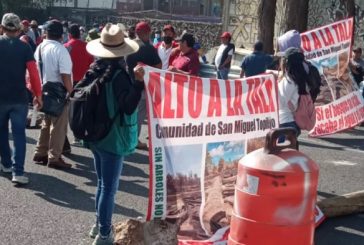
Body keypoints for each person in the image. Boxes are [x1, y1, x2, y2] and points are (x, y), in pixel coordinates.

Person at [85, 23, 144, 245]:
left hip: (95, 134)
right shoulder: (119, 75)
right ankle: (104, 234)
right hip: (112, 136)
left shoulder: (95, 68)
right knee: (108, 188)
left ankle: (99, 224)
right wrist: (138, 85)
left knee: (101, 183)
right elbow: (128, 107)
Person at [0, 13, 42, 184]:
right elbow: (33, 73)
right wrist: (38, 95)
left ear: (1, 28)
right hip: (19, 97)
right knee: (19, 135)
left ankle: (6, 164)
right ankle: (18, 172)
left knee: (2, 132)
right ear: (18, 30)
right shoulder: (25, 47)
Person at [33, 20, 73, 169]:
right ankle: (54, 156)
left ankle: (40, 151)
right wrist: (71, 92)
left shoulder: (40, 48)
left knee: (46, 121)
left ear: (46, 33)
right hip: (58, 91)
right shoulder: (61, 50)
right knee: (59, 126)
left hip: (43, 89)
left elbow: (34, 72)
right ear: (61, 35)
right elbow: (65, 75)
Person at [126, 21, 162, 151]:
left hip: (129, 84)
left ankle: (128, 138)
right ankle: (134, 140)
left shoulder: (129, 45)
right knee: (139, 115)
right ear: (146, 33)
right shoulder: (148, 48)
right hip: (143, 86)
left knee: (129, 113)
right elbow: (159, 66)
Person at [65, 24, 94, 145]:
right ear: (80, 33)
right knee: (83, 110)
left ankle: (74, 137)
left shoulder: (66, 47)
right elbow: (91, 65)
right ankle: (83, 135)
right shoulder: (87, 47)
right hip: (85, 82)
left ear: (69, 34)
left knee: (69, 111)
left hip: (69, 83)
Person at [278, 47, 312, 139]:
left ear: (286, 62)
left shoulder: (289, 81)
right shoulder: (300, 80)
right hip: (292, 123)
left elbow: (279, 102)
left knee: (278, 153)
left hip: (284, 123)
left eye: (282, 59)